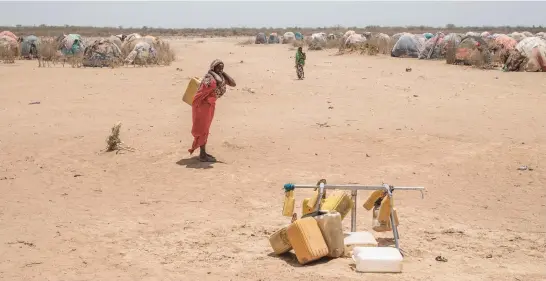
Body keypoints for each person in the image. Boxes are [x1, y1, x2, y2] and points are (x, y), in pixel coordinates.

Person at [189, 59, 236, 162]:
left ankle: (203, 152)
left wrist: (222, 72)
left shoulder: (219, 75)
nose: (220, 70)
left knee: (206, 128)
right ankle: (202, 155)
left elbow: (233, 83)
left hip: (210, 105)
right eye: (218, 67)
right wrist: (212, 72)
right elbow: (218, 82)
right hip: (202, 106)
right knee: (203, 129)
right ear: (213, 67)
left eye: (222, 68)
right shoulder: (209, 78)